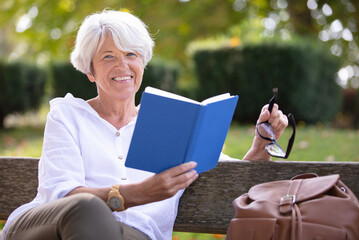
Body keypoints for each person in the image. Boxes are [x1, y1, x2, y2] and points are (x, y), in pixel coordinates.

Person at [1, 10, 288, 240]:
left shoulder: (174, 123)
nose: (122, 66)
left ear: (143, 63)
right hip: (45, 227)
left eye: (131, 55)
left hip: (134, 235)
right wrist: (141, 192)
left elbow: (232, 178)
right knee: (86, 209)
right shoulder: (67, 116)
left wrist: (261, 144)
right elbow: (62, 196)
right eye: (108, 57)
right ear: (90, 71)